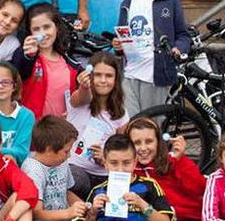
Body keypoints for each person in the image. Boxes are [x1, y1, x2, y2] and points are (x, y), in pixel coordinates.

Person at [114, 0, 190, 116]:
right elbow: (120, 41)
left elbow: (183, 35)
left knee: (152, 125)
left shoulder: (170, 0)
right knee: (131, 125)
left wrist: (179, 48)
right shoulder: (127, 4)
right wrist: (118, 46)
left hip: (157, 74)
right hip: (130, 73)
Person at [67, 52, 130, 200]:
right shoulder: (80, 100)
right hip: (76, 169)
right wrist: (84, 86)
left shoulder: (122, 114)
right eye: (98, 75)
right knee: (72, 179)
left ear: (116, 80)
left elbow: (120, 149)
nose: (103, 80)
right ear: (90, 76)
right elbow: (83, 96)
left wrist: (105, 157)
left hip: (104, 174)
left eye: (108, 76)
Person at [126, 117, 205, 221]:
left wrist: (180, 160)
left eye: (149, 141)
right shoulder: (127, 170)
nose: (143, 148)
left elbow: (200, 189)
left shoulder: (171, 161)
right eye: (137, 143)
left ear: (158, 142)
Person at [11, 2, 80, 119]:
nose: (42, 33)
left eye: (47, 27)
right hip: (32, 130)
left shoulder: (70, 63)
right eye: (36, 29)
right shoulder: (25, 55)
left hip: (62, 130)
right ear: (30, 32)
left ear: (57, 27)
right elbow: (17, 72)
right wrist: (28, 56)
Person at [83, 134, 174, 221]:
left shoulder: (149, 185)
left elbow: (165, 219)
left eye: (126, 163)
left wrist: (142, 205)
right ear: (105, 164)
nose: (120, 169)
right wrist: (93, 212)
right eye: (114, 163)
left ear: (135, 162)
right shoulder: (98, 191)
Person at [22, 115, 88, 220]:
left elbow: (66, 192)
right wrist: (68, 213)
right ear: (49, 150)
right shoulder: (33, 170)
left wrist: (83, 207)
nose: (69, 156)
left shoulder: (61, 162)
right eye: (66, 151)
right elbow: (36, 213)